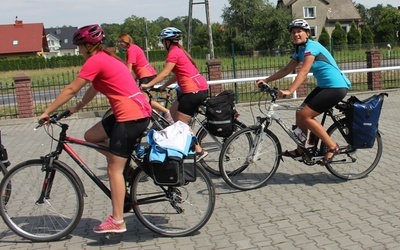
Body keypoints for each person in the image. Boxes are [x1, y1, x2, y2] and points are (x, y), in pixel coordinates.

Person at [38, 24, 152, 233]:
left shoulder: (96, 60)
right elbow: (93, 87)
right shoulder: (105, 58)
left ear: (88, 46)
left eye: (80, 46)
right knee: (91, 136)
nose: (79, 50)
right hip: (128, 113)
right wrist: (76, 108)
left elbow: (73, 88)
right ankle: (125, 163)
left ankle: (117, 221)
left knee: (113, 168)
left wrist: (47, 111)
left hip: (131, 117)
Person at [256, 19, 351, 164]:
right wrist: (266, 81)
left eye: (299, 31)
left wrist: (289, 90)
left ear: (307, 34)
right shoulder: (299, 50)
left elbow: (304, 71)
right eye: (293, 32)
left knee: (306, 116)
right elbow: (286, 70)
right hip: (325, 86)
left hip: (336, 87)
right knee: (300, 112)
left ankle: (332, 146)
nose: (296, 34)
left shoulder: (312, 47)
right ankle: (301, 149)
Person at [141, 27, 209, 161]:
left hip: (192, 92)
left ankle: (199, 151)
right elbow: (177, 74)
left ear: (168, 41)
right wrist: (163, 86)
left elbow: (165, 72)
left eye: (163, 41)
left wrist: (148, 85)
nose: (162, 43)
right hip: (195, 90)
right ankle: (179, 144)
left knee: (181, 125)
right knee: (170, 115)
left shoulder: (173, 53)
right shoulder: (179, 51)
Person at [117, 33, 173, 124]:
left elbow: (129, 68)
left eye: (121, 42)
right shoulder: (132, 48)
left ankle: (166, 112)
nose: (119, 44)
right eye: (118, 42)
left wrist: (125, 81)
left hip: (146, 76)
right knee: (145, 99)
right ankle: (157, 115)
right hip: (145, 75)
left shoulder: (131, 49)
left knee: (144, 99)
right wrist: (134, 79)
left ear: (126, 41)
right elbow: (136, 67)